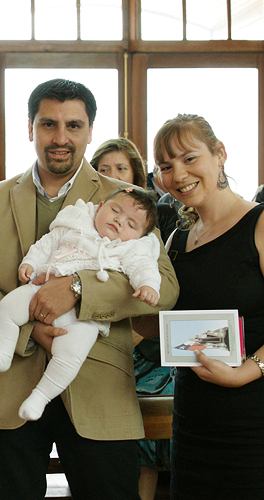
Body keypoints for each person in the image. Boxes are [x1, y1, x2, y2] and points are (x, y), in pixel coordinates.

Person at [0, 78, 179, 500]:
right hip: (8, 389)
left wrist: (77, 289)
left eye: (74, 125)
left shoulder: (126, 200)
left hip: (100, 387)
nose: (61, 137)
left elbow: (166, 287)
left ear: (90, 131)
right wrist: (30, 326)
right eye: (48, 124)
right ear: (30, 128)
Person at [0, 188, 161, 421]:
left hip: (85, 316)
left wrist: (149, 285)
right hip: (41, 289)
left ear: (140, 236)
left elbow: (144, 267)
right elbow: (45, 245)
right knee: (8, 307)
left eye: (131, 224)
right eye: (115, 211)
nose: (119, 221)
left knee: (71, 355)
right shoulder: (74, 225)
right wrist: (30, 262)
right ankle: (1, 354)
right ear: (99, 207)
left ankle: (40, 397)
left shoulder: (131, 249)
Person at [153, 113, 264, 500]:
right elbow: (160, 324)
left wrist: (248, 371)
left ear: (220, 155)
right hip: (193, 419)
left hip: (253, 419)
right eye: (166, 166)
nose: (178, 174)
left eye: (188, 158)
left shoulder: (260, 224)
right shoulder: (175, 241)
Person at [92, 139, 173, 500]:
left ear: (136, 177)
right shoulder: (90, 222)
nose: (111, 176)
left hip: (144, 348)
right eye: (103, 170)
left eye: (120, 169)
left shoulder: (147, 228)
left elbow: (159, 289)